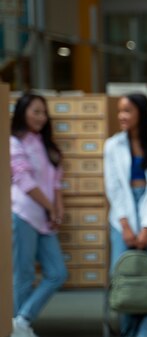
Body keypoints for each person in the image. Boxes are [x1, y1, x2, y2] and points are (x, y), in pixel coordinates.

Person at [104, 93, 147, 337]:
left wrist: (146, 229)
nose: (122, 116)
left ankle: (145, 333)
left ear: (141, 114)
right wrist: (125, 226)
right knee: (123, 278)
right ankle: (128, 331)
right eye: (120, 111)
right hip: (122, 217)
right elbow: (113, 187)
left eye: (128, 111)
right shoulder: (112, 145)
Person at [10, 93, 68, 337]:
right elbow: (23, 180)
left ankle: (21, 320)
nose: (41, 117)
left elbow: (55, 180)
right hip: (23, 213)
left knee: (57, 273)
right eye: (36, 111)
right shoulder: (14, 142)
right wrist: (50, 207)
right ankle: (18, 327)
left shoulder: (46, 144)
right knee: (22, 274)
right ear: (22, 112)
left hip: (44, 218)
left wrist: (58, 207)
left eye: (44, 113)